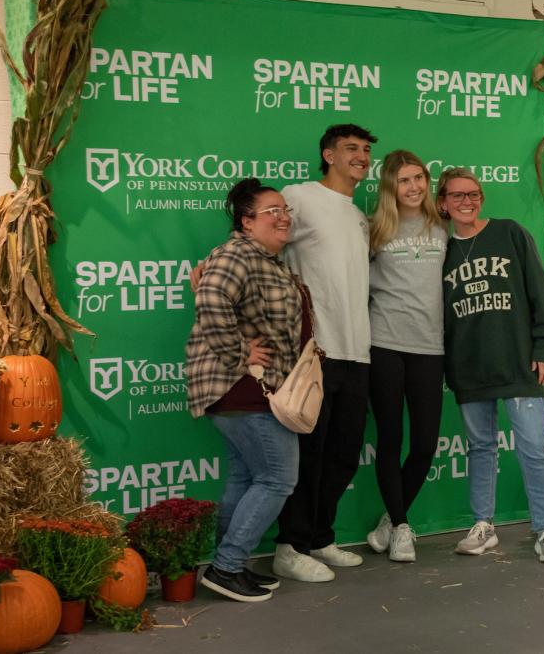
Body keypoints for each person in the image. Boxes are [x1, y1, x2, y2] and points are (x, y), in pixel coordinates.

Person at [186, 178, 312, 602]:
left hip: (251, 388)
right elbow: (211, 301)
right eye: (272, 211)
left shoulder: (269, 260)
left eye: (285, 210)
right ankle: (226, 568)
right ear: (246, 221)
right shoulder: (236, 253)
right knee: (278, 477)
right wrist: (240, 352)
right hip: (243, 387)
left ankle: (227, 564)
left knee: (245, 474)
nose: (283, 217)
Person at [436, 167, 544, 563]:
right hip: (470, 367)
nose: (467, 201)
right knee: (479, 447)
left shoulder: (509, 233)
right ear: (442, 203)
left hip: (519, 363)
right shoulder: (440, 252)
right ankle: (483, 526)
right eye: (457, 195)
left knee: (533, 448)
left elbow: (540, 293)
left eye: (473, 194)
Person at [273, 124, 377, 583]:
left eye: (366, 150)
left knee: (343, 455)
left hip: (358, 351)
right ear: (328, 154)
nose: (361, 156)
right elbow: (261, 236)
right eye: (351, 149)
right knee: (309, 456)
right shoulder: (300, 196)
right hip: (318, 351)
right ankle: (288, 547)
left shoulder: (357, 214)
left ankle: (319, 537)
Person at [365, 150, 447, 563]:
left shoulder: (443, 227)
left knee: (425, 444)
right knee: (391, 439)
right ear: (389, 187)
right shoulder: (375, 230)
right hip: (385, 343)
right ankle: (401, 526)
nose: (413, 187)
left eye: (418, 178)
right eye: (403, 180)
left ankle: (388, 520)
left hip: (430, 347)